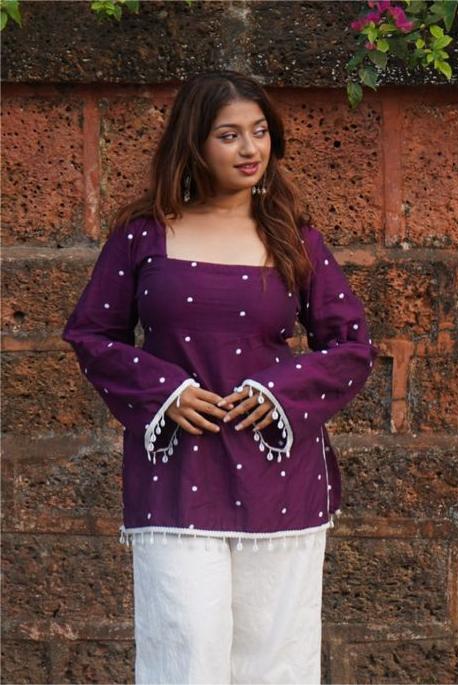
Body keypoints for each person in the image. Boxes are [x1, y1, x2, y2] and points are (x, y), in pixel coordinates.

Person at [62, 70, 379, 685]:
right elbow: (91, 334)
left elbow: (351, 344)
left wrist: (277, 391)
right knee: (185, 650)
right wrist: (167, 393)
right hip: (176, 475)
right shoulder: (143, 234)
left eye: (259, 131)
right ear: (194, 142)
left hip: (278, 472)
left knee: (275, 658)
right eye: (229, 135)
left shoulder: (293, 238)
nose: (250, 148)